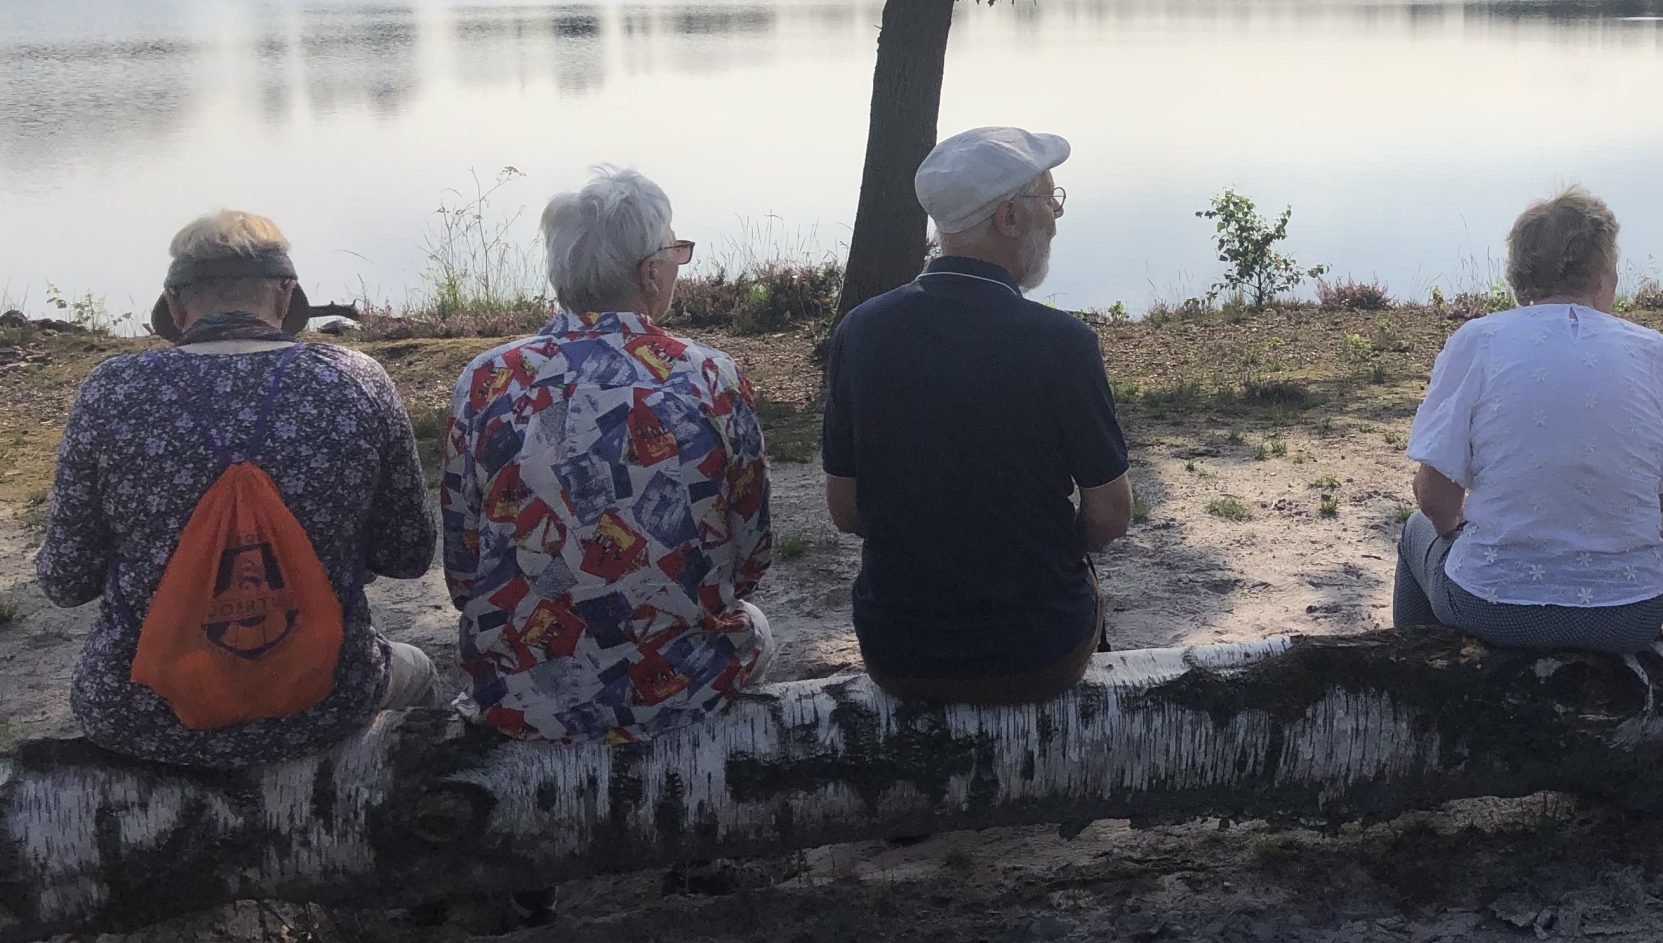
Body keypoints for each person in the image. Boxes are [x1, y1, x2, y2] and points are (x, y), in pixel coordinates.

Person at [37, 211, 439, 767]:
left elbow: (65, 581)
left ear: (176, 307)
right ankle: (402, 801)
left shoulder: (112, 391)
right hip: (323, 702)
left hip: (142, 710)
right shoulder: (356, 378)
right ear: (286, 297)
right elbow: (409, 556)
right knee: (419, 671)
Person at [443, 167, 772, 741]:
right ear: (650, 273)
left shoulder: (486, 379)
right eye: (676, 253)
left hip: (520, 696)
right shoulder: (709, 376)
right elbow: (751, 555)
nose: (677, 266)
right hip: (676, 692)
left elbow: (464, 567)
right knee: (759, 628)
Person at [822, 127, 1133, 702]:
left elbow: (845, 510)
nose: (1056, 221)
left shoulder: (859, 333)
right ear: (1009, 218)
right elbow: (1111, 516)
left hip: (898, 655)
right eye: (1049, 201)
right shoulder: (1062, 344)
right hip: (1038, 656)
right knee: (1077, 598)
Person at [1396, 188, 1663, 652]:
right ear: (1602, 271)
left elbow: (1436, 501)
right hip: (1632, 613)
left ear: (1520, 272)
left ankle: (1420, 688)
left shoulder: (1478, 341)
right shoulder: (1648, 348)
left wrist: (1461, 531)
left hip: (1496, 606)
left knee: (1415, 532)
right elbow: (1655, 498)